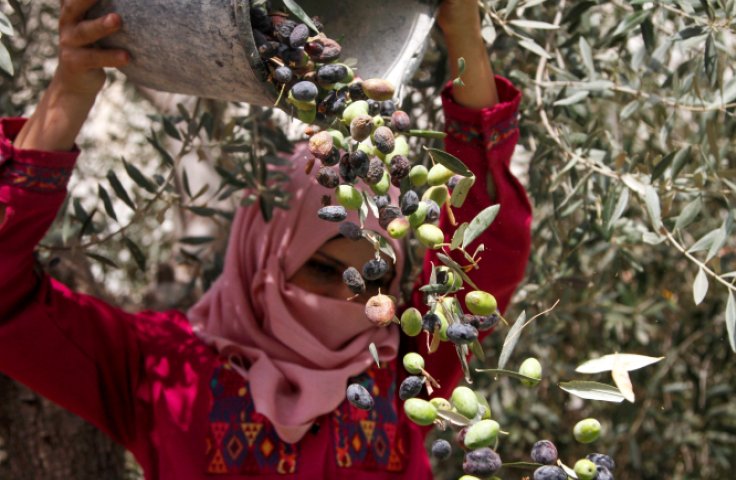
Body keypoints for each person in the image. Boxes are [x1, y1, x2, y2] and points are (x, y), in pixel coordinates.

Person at [0, 0, 532, 477]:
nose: (348, 301)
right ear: (262, 257)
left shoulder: (408, 366)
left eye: (375, 282)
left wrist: (463, 31)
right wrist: (69, 91)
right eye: (325, 269)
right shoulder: (157, 368)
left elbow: (489, 236)